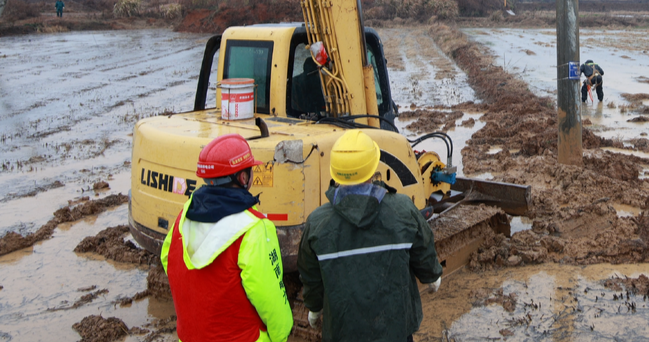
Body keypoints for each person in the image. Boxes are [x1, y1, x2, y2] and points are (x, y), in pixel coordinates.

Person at [297, 130, 443, 342]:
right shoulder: (402, 209)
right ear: (374, 166)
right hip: (396, 331)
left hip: (343, 333)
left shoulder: (318, 223)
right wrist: (432, 276)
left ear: (335, 172)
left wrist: (314, 307)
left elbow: (311, 275)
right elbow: (424, 249)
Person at [161, 133, 293, 342]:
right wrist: (281, 335)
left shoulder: (183, 217)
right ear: (242, 178)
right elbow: (271, 299)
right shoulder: (254, 228)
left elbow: (169, 260)